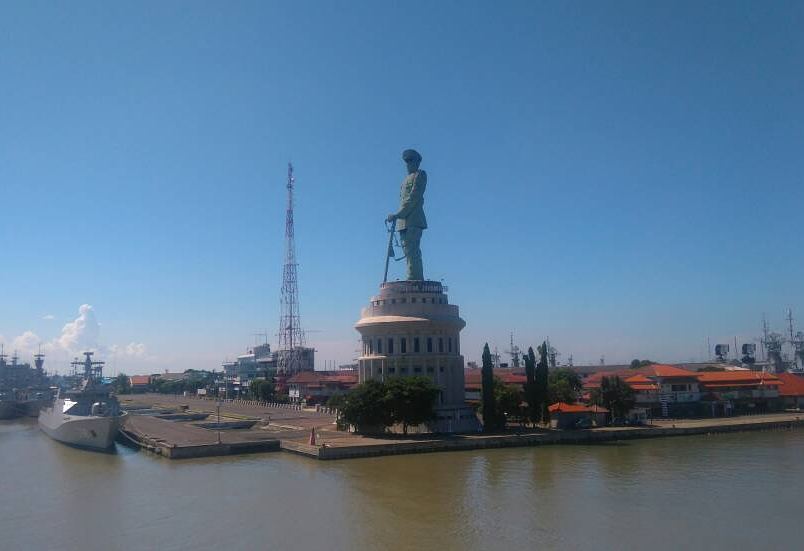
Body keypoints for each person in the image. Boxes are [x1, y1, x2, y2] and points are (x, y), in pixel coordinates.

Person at [386, 149, 427, 280]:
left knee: (412, 252)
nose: (408, 165)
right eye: (407, 162)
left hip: (414, 220)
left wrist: (398, 214)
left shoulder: (420, 175)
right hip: (403, 223)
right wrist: (398, 217)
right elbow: (403, 200)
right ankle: (412, 277)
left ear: (417, 162)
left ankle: (415, 280)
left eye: (410, 162)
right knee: (407, 252)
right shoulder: (404, 181)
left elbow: (414, 198)